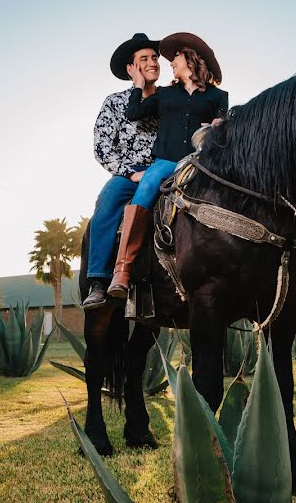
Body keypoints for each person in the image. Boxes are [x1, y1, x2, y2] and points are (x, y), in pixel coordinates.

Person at [107, 32, 229, 298]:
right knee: (149, 182)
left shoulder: (219, 97)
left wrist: (219, 127)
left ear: (192, 59)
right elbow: (134, 113)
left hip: (201, 163)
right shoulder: (165, 94)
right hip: (165, 162)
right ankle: (123, 270)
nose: (170, 62)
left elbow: (222, 127)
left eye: (176, 57)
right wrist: (139, 84)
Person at [82, 33, 162, 309]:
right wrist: (130, 173)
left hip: (167, 170)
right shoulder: (114, 103)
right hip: (130, 174)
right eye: (144, 59)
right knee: (106, 202)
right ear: (131, 69)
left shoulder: (170, 100)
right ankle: (98, 281)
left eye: (154, 57)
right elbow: (102, 146)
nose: (152, 62)